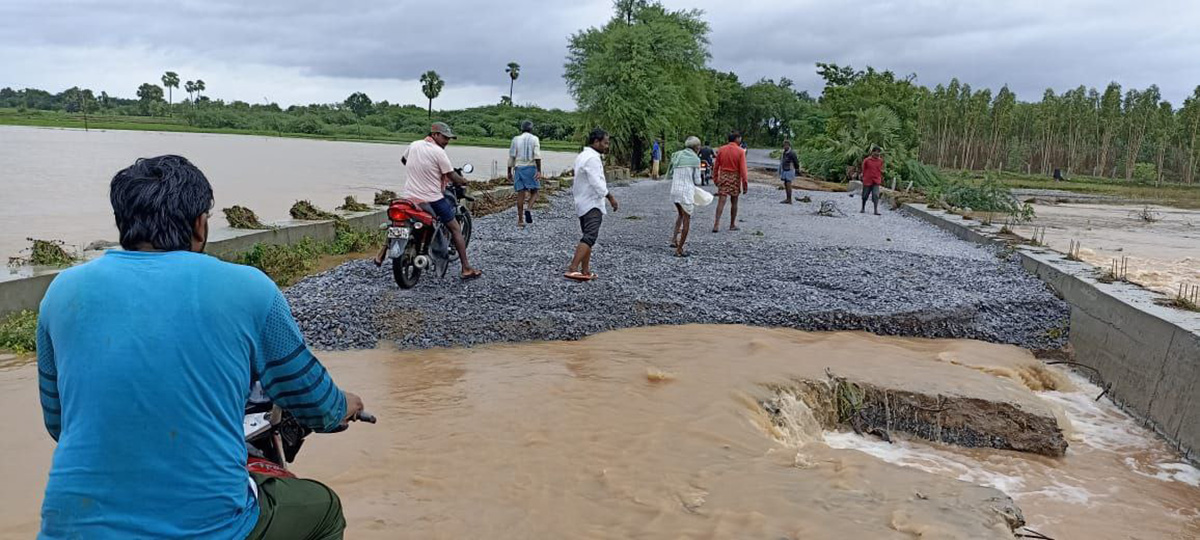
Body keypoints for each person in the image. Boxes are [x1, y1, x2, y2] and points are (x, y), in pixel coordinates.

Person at [36, 155, 364, 539]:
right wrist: (345, 405)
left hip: (68, 528)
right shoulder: (249, 288)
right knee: (322, 508)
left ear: (124, 221)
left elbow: (58, 422)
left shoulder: (61, 291)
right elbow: (314, 402)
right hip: (210, 528)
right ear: (199, 224)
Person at [377, 122, 482, 279]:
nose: (447, 141)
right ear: (435, 135)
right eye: (445, 137)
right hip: (432, 199)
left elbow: (404, 160)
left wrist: (419, 170)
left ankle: (381, 253)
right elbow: (452, 175)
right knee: (454, 228)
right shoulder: (439, 152)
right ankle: (466, 268)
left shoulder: (414, 145)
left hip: (409, 196)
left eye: (449, 138)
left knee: (397, 222)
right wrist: (464, 181)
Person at [566, 128, 619, 281]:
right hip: (592, 203)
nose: (607, 146)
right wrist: (610, 197)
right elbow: (597, 182)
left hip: (582, 201)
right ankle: (573, 268)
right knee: (590, 236)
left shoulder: (583, 155)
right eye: (605, 143)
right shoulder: (593, 159)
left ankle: (585, 270)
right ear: (596, 142)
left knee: (587, 236)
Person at [668, 136, 703, 257]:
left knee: (680, 215)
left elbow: (671, 173)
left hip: (674, 191)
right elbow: (697, 181)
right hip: (685, 192)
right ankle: (679, 249)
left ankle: (674, 239)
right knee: (687, 220)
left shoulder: (677, 155)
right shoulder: (695, 160)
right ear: (696, 147)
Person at [508, 120, 542, 227]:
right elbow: (537, 156)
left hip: (519, 169)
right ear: (531, 129)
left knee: (520, 194)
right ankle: (528, 209)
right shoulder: (534, 139)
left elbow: (511, 157)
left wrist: (509, 171)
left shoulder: (515, 139)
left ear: (521, 129)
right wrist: (539, 170)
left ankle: (520, 220)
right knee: (535, 191)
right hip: (531, 168)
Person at [712, 131, 748, 233]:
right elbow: (743, 170)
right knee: (734, 202)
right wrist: (745, 184)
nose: (740, 140)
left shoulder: (721, 150)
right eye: (739, 138)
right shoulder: (740, 151)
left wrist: (715, 179)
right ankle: (732, 224)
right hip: (734, 177)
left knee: (721, 201)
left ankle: (716, 224)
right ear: (736, 139)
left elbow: (716, 166)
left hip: (723, 176)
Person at [861, 145, 884, 215]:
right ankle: (863, 207)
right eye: (876, 152)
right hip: (867, 180)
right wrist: (863, 177)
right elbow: (863, 169)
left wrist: (881, 177)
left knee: (875, 195)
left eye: (878, 153)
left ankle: (875, 210)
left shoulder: (880, 161)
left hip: (876, 180)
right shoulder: (867, 160)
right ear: (872, 152)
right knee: (865, 195)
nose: (877, 154)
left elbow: (881, 169)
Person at [779, 140, 801, 204]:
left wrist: (797, 169)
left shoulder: (792, 153)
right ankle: (787, 198)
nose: (785, 147)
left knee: (788, 183)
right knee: (785, 183)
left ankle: (789, 199)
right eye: (784, 145)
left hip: (790, 169)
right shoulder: (784, 152)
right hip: (785, 169)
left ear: (789, 145)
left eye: (786, 145)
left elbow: (796, 162)